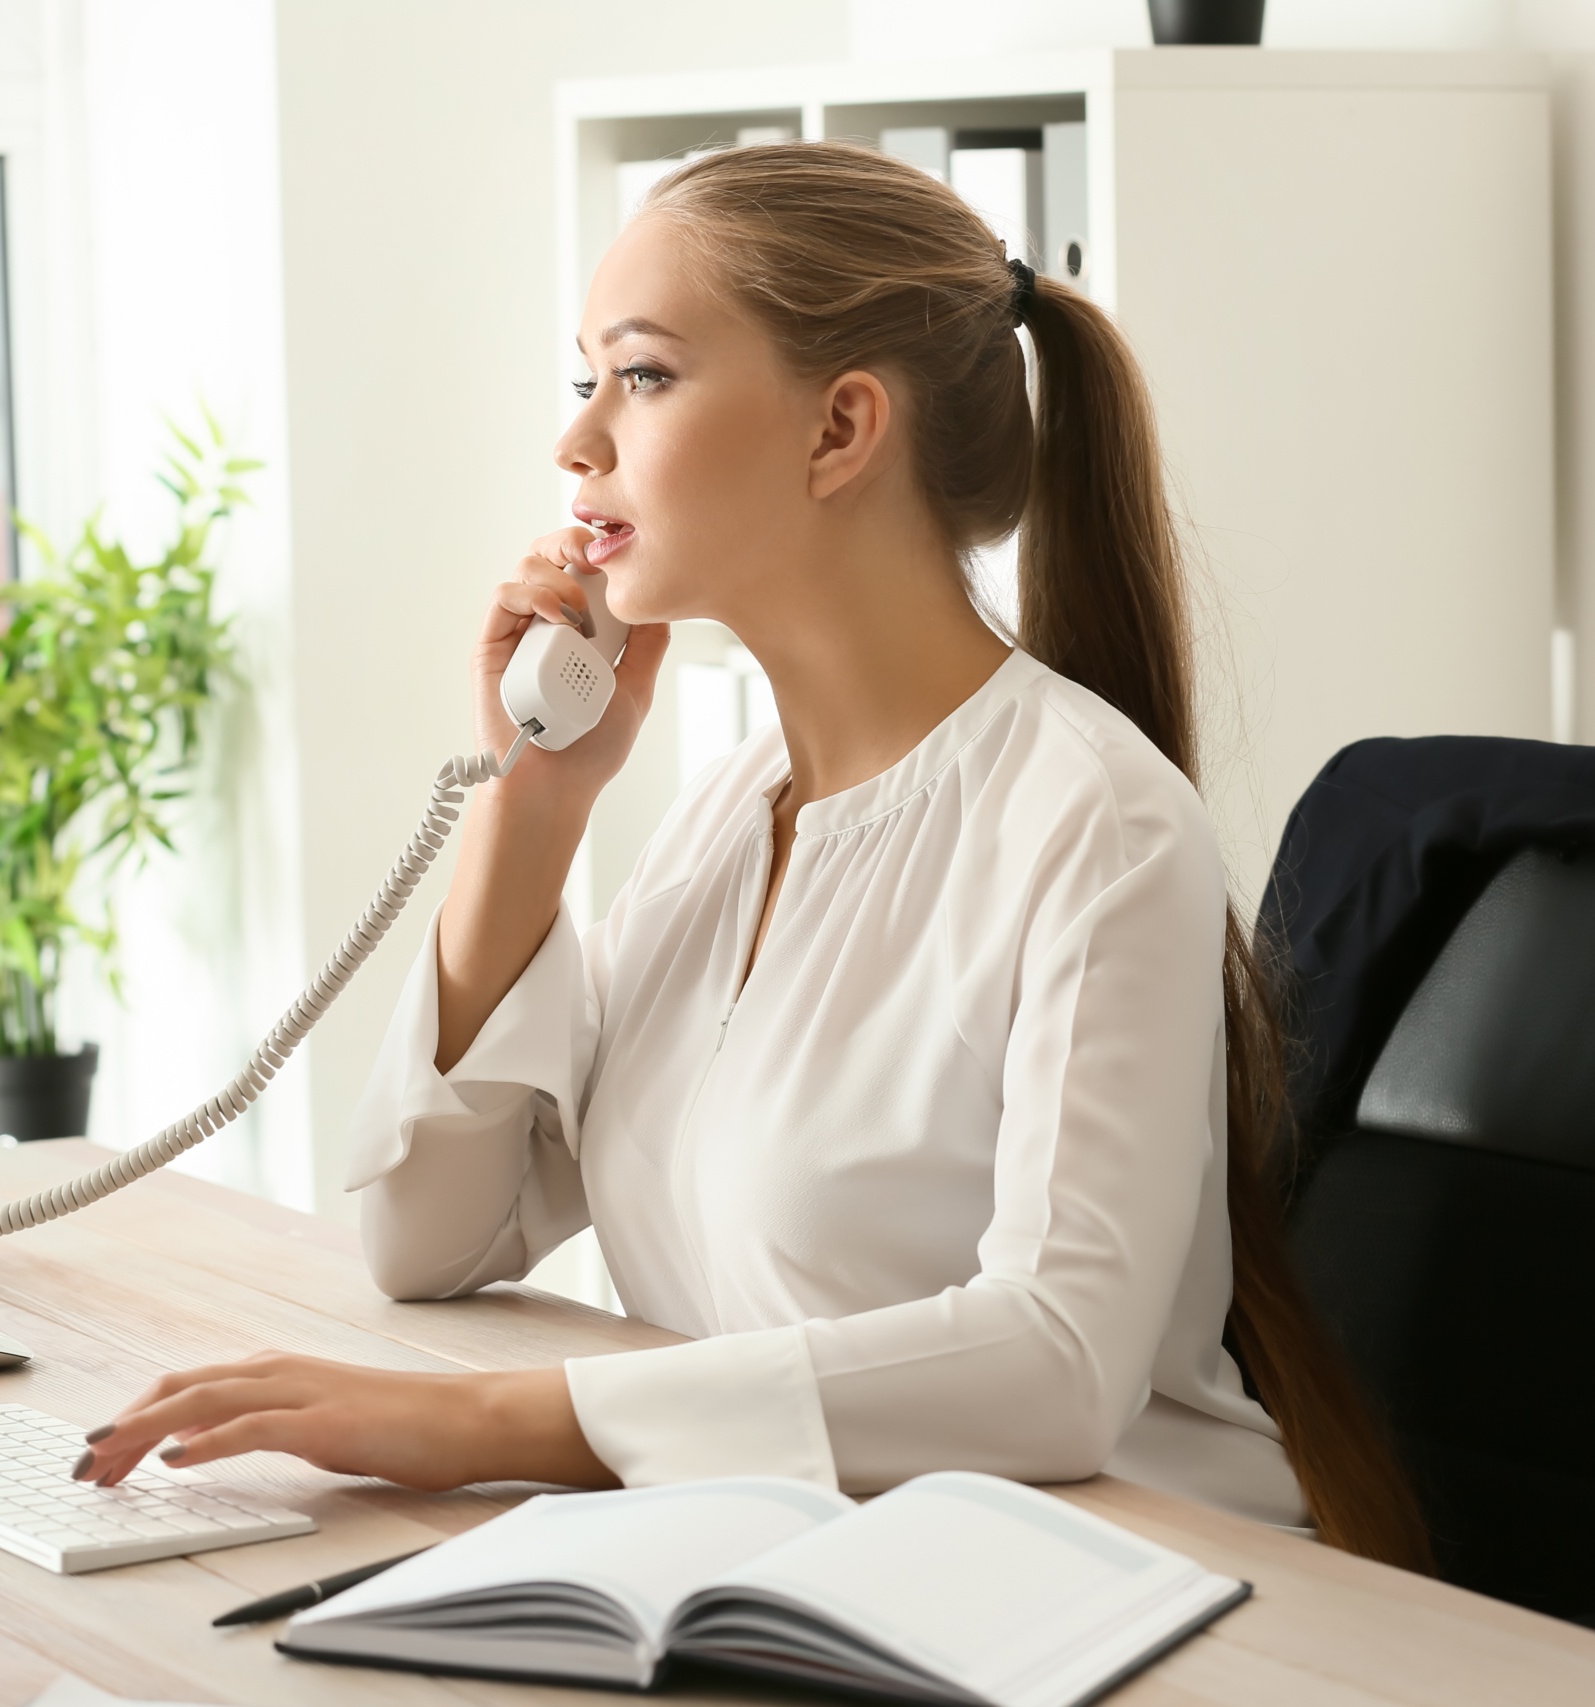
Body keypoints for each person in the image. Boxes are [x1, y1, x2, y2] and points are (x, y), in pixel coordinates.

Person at [75, 142, 1428, 1568]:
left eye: (643, 375)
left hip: (1099, 1587)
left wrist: (488, 1424)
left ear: (841, 429)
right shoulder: (728, 820)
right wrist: (531, 804)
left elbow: (1057, 1363)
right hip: (785, 1564)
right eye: (585, 378)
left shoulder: (1093, 818)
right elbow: (430, 1241)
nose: (578, 439)